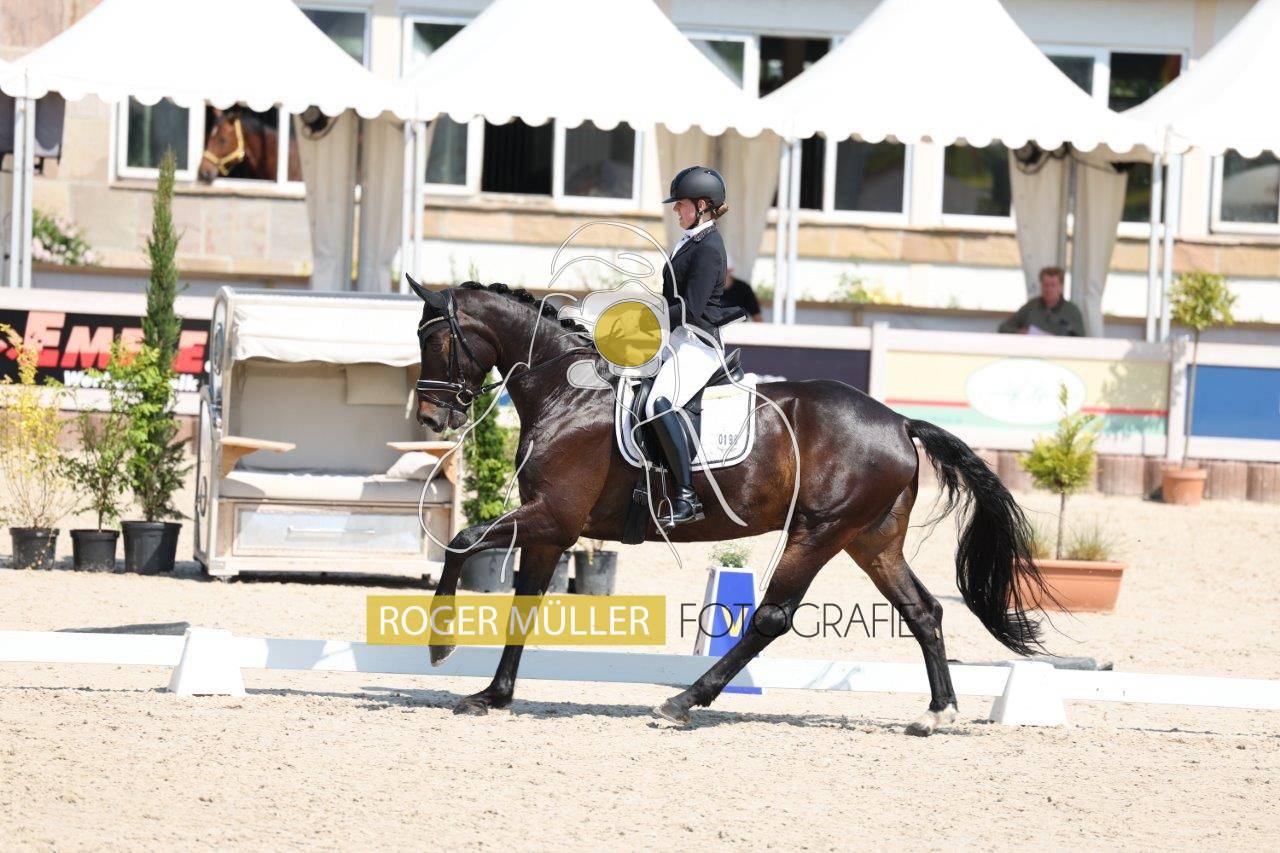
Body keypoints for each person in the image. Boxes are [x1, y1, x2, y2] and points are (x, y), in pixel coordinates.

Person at [644, 165, 737, 530]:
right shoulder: (690, 241)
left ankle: (686, 495)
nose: (675, 210)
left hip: (698, 344)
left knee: (658, 403)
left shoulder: (710, 247)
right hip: (677, 339)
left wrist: (644, 317)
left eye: (680, 204)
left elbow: (691, 309)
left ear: (701, 206)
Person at [998, 266, 1085, 337]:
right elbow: (1003, 328)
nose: (1049, 289)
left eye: (1053, 285)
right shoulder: (1031, 306)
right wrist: (1019, 332)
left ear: (1061, 286)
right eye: (1045, 285)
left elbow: (1081, 339)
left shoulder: (1072, 311)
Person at [722, 255, 763, 322]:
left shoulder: (744, 289)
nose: (722, 274)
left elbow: (757, 316)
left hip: (739, 327)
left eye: (725, 271)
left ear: (731, 270)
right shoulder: (709, 289)